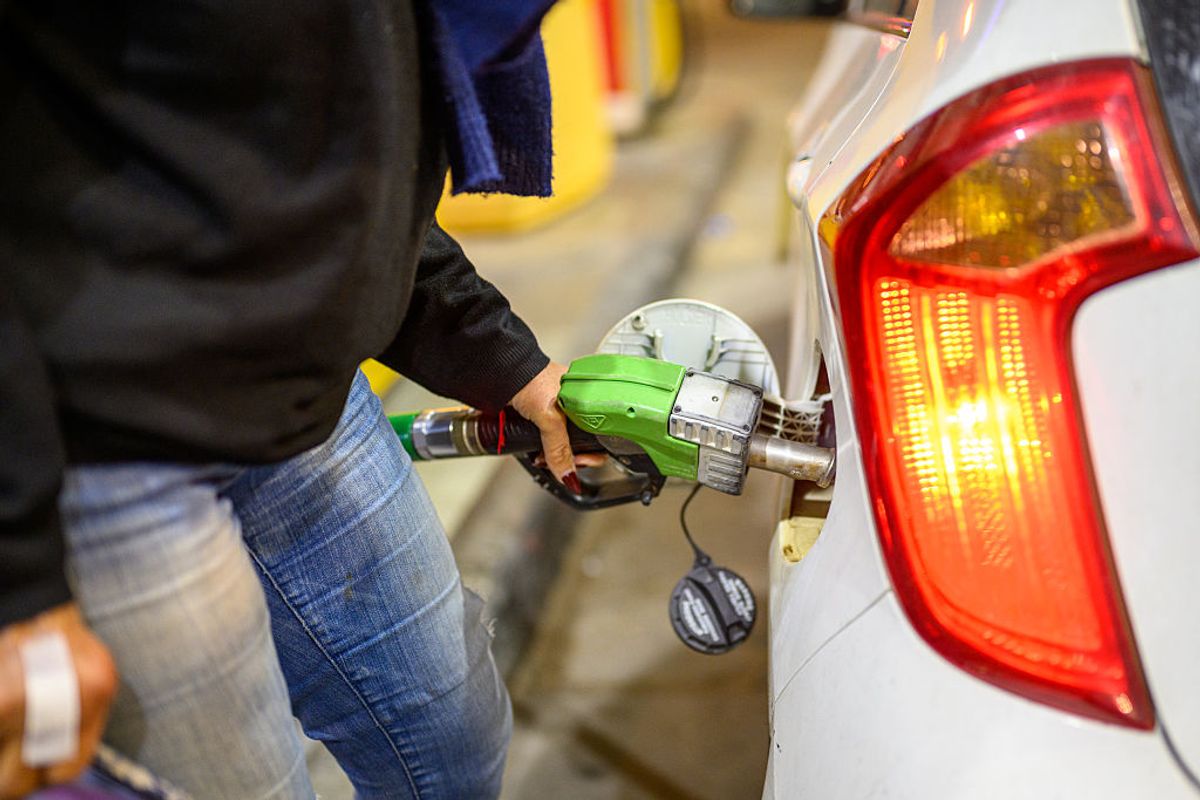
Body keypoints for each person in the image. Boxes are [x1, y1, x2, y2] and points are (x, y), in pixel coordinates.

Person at [0, 1, 590, 797]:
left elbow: (331, 152)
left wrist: (499, 358)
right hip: (106, 454)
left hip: (307, 397)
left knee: (455, 745)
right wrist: (21, 585)